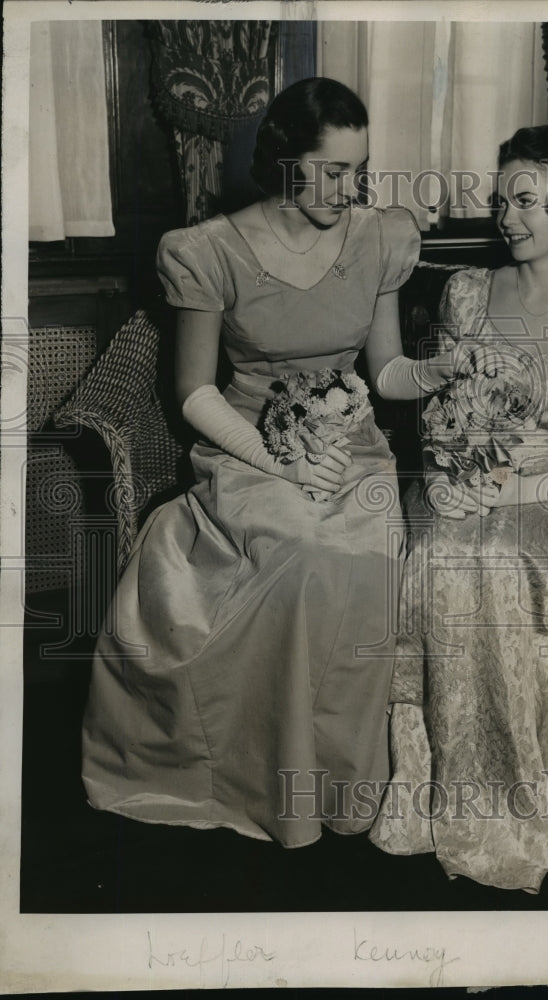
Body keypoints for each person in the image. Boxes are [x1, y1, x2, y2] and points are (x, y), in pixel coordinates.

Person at [81, 78, 464, 848]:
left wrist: (432, 372)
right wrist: (280, 466)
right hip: (248, 448)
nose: (346, 189)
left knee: (358, 560)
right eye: (327, 172)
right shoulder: (208, 250)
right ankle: (267, 782)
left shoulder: (379, 237)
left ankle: (341, 789)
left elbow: (384, 369)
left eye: (357, 171)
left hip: (353, 449)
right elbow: (192, 391)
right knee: (299, 549)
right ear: (282, 163)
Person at [369, 125, 548, 893]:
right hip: (466, 474)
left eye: (524, 201)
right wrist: (442, 473)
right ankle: (439, 787)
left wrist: (519, 490)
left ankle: (508, 800)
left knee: (494, 556)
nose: (505, 216)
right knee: (437, 548)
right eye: (501, 201)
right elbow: (440, 406)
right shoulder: (467, 291)